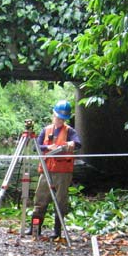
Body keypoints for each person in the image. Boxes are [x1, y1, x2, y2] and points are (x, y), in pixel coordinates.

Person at [29, 99, 81, 240]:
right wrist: (48, 147)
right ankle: (35, 229)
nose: (59, 120)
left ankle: (57, 231)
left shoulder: (70, 131)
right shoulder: (45, 130)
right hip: (46, 170)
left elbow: (78, 144)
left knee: (60, 201)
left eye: (62, 119)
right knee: (40, 200)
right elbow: (35, 146)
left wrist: (71, 144)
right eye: (58, 117)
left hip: (63, 173)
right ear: (54, 115)